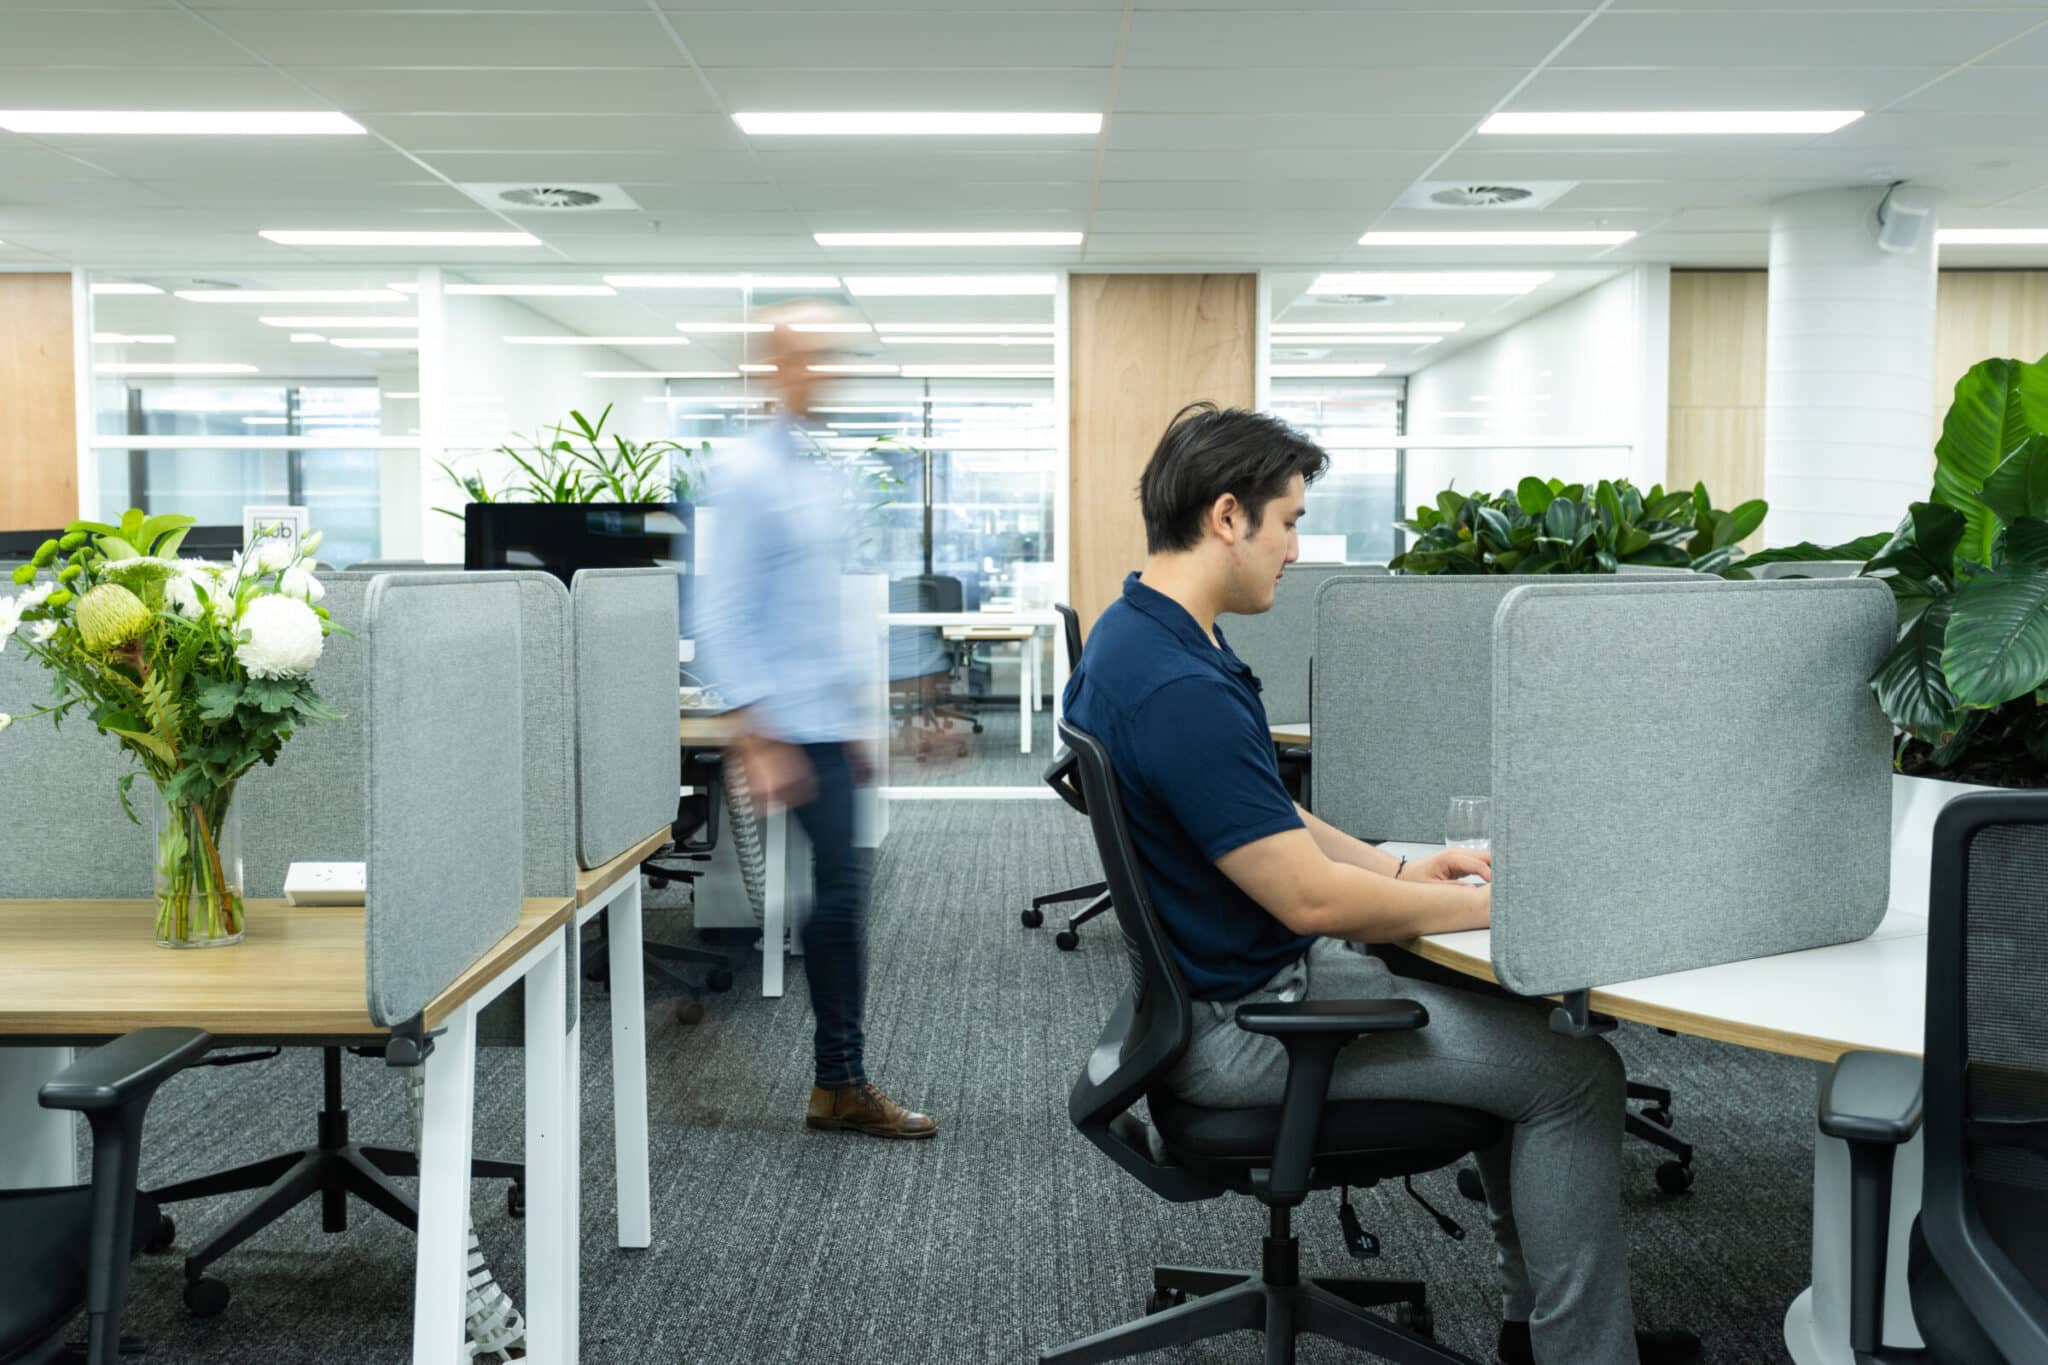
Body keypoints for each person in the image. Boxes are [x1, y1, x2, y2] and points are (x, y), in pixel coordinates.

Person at [1060, 402, 1698, 1365]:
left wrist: (1400, 866)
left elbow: (1262, 816)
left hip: (1217, 996)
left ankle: (1544, 1329)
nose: (1294, 550)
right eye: (1289, 523)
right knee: (1576, 1074)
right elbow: (1309, 901)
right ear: (1228, 517)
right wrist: (1492, 905)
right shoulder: (1177, 685)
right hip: (1248, 1030)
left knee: (1522, 1027)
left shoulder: (1141, 635)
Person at [695, 304, 937, 1141]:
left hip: (822, 719)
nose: (822, 372)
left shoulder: (810, 467)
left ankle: (838, 1078)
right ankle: (840, 1079)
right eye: (804, 359)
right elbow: (721, 610)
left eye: (827, 358)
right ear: (768, 369)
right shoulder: (750, 473)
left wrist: (860, 718)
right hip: (786, 724)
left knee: (840, 896)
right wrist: (755, 733)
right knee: (837, 901)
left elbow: (816, 607)